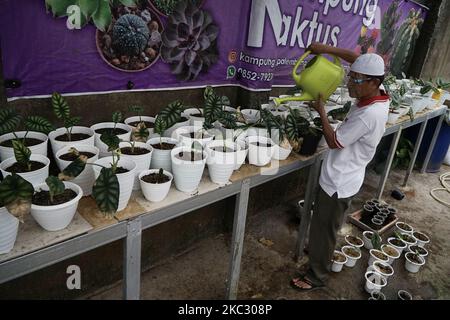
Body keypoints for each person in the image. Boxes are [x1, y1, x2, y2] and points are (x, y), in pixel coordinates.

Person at [291, 43, 390, 291]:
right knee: (323, 224)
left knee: (325, 228)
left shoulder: (370, 115)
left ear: (372, 83)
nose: (349, 83)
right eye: (351, 76)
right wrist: (324, 48)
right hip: (341, 174)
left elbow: (335, 142)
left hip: (339, 179)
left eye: (355, 80)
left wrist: (321, 109)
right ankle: (317, 251)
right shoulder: (378, 89)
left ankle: (316, 275)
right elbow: (357, 58)